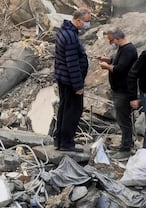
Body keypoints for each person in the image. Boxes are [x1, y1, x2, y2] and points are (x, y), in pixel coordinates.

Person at [52, 8, 92, 152]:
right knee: (73, 110)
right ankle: (67, 143)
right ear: (78, 20)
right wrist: (78, 85)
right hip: (70, 81)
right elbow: (72, 63)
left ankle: (59, 140)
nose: (88, 25)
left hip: (64, 78)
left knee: (64, 108)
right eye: (87, 21)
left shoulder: (66, 31)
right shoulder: (70, 37)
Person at [99, 28, 139, 153]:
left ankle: (125, 148)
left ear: (118, 39)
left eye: (112, 41)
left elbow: (120, 69)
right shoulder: (123, 49)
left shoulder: (128, 50)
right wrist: (108, 60)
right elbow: (120, 62)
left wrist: (107, 67)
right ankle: (127, 143)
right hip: (119, 90)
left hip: (123, 91)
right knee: (123, 119)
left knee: (123, 120)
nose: (112, 43)